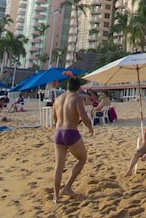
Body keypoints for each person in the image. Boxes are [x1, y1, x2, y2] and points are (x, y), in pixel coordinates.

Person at [51, 75, 94, 203]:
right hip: (71, 132)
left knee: (59, 166)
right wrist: (90, 127)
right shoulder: (77, 98)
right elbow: (83, 115)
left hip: (58, 132)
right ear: (78, 87)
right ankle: (68, 187)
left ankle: (56, 196)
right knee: (82, 158)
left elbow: (55, 118)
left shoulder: (58, 99)